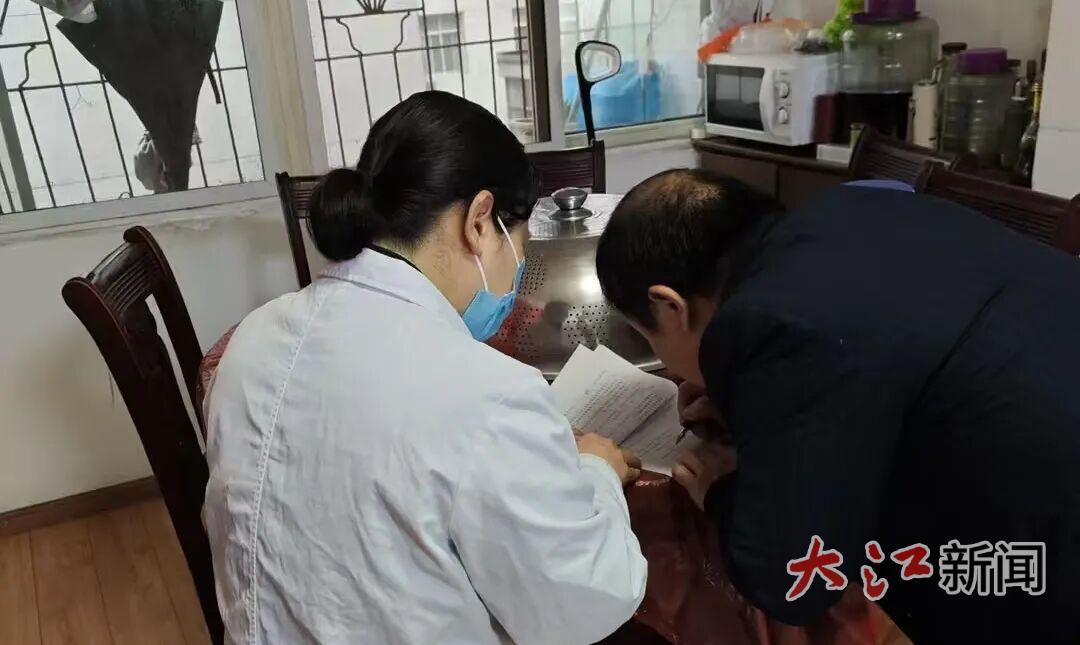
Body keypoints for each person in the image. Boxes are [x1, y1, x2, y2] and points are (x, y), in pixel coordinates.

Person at [203, 91, 647, 644]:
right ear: (479, 221)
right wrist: (598, 471)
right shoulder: (487, 395)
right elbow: (586, 605)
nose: (517, 271)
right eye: (521, 245)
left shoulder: (252, 338)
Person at [594, 168, 1080, 644]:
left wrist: (720, 491)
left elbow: (790, 579)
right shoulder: (860, 206)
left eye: (647, 336)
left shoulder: (766, 325)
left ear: (669, 306)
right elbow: (886, 347)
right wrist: (744, 396)